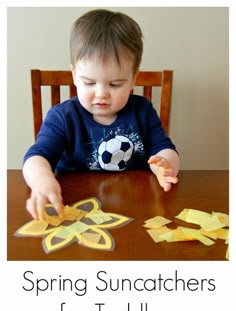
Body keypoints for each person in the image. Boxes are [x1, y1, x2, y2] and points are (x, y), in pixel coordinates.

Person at [23, 9, 179, 219]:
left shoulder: (142, 111)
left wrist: (166, 165)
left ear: (133, 80)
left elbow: (165, 149)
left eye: (115, 84)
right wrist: (42, 181)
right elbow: (36, 157)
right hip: (76, 209)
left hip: (134, 209)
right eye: (89, 82)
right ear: (75, 76)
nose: (101, 94)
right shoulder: (63, 117)